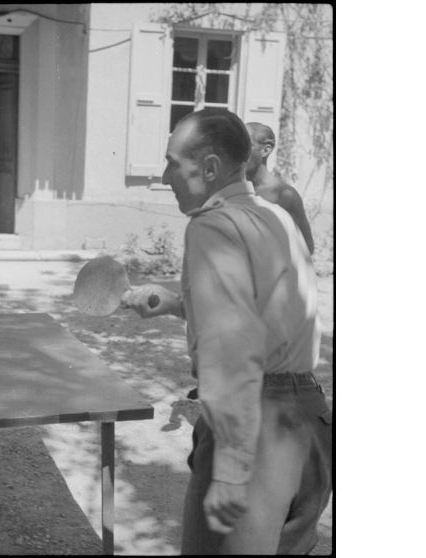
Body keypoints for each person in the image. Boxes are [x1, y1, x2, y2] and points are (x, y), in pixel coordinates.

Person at [122, 108, 332, 554]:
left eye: (172, 163)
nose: (164, 176)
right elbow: (263, 318)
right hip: (310, 423)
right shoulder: (279, 219)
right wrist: (177, 304)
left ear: (211, 168)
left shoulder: (211, 225)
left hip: (256, 434)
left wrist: (233, 467)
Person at [245, 122, 315, 254]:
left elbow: (307, 248)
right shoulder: (231, 189)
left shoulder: (285, 195)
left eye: (245, 146)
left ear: (265, 150)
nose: (237, 152)